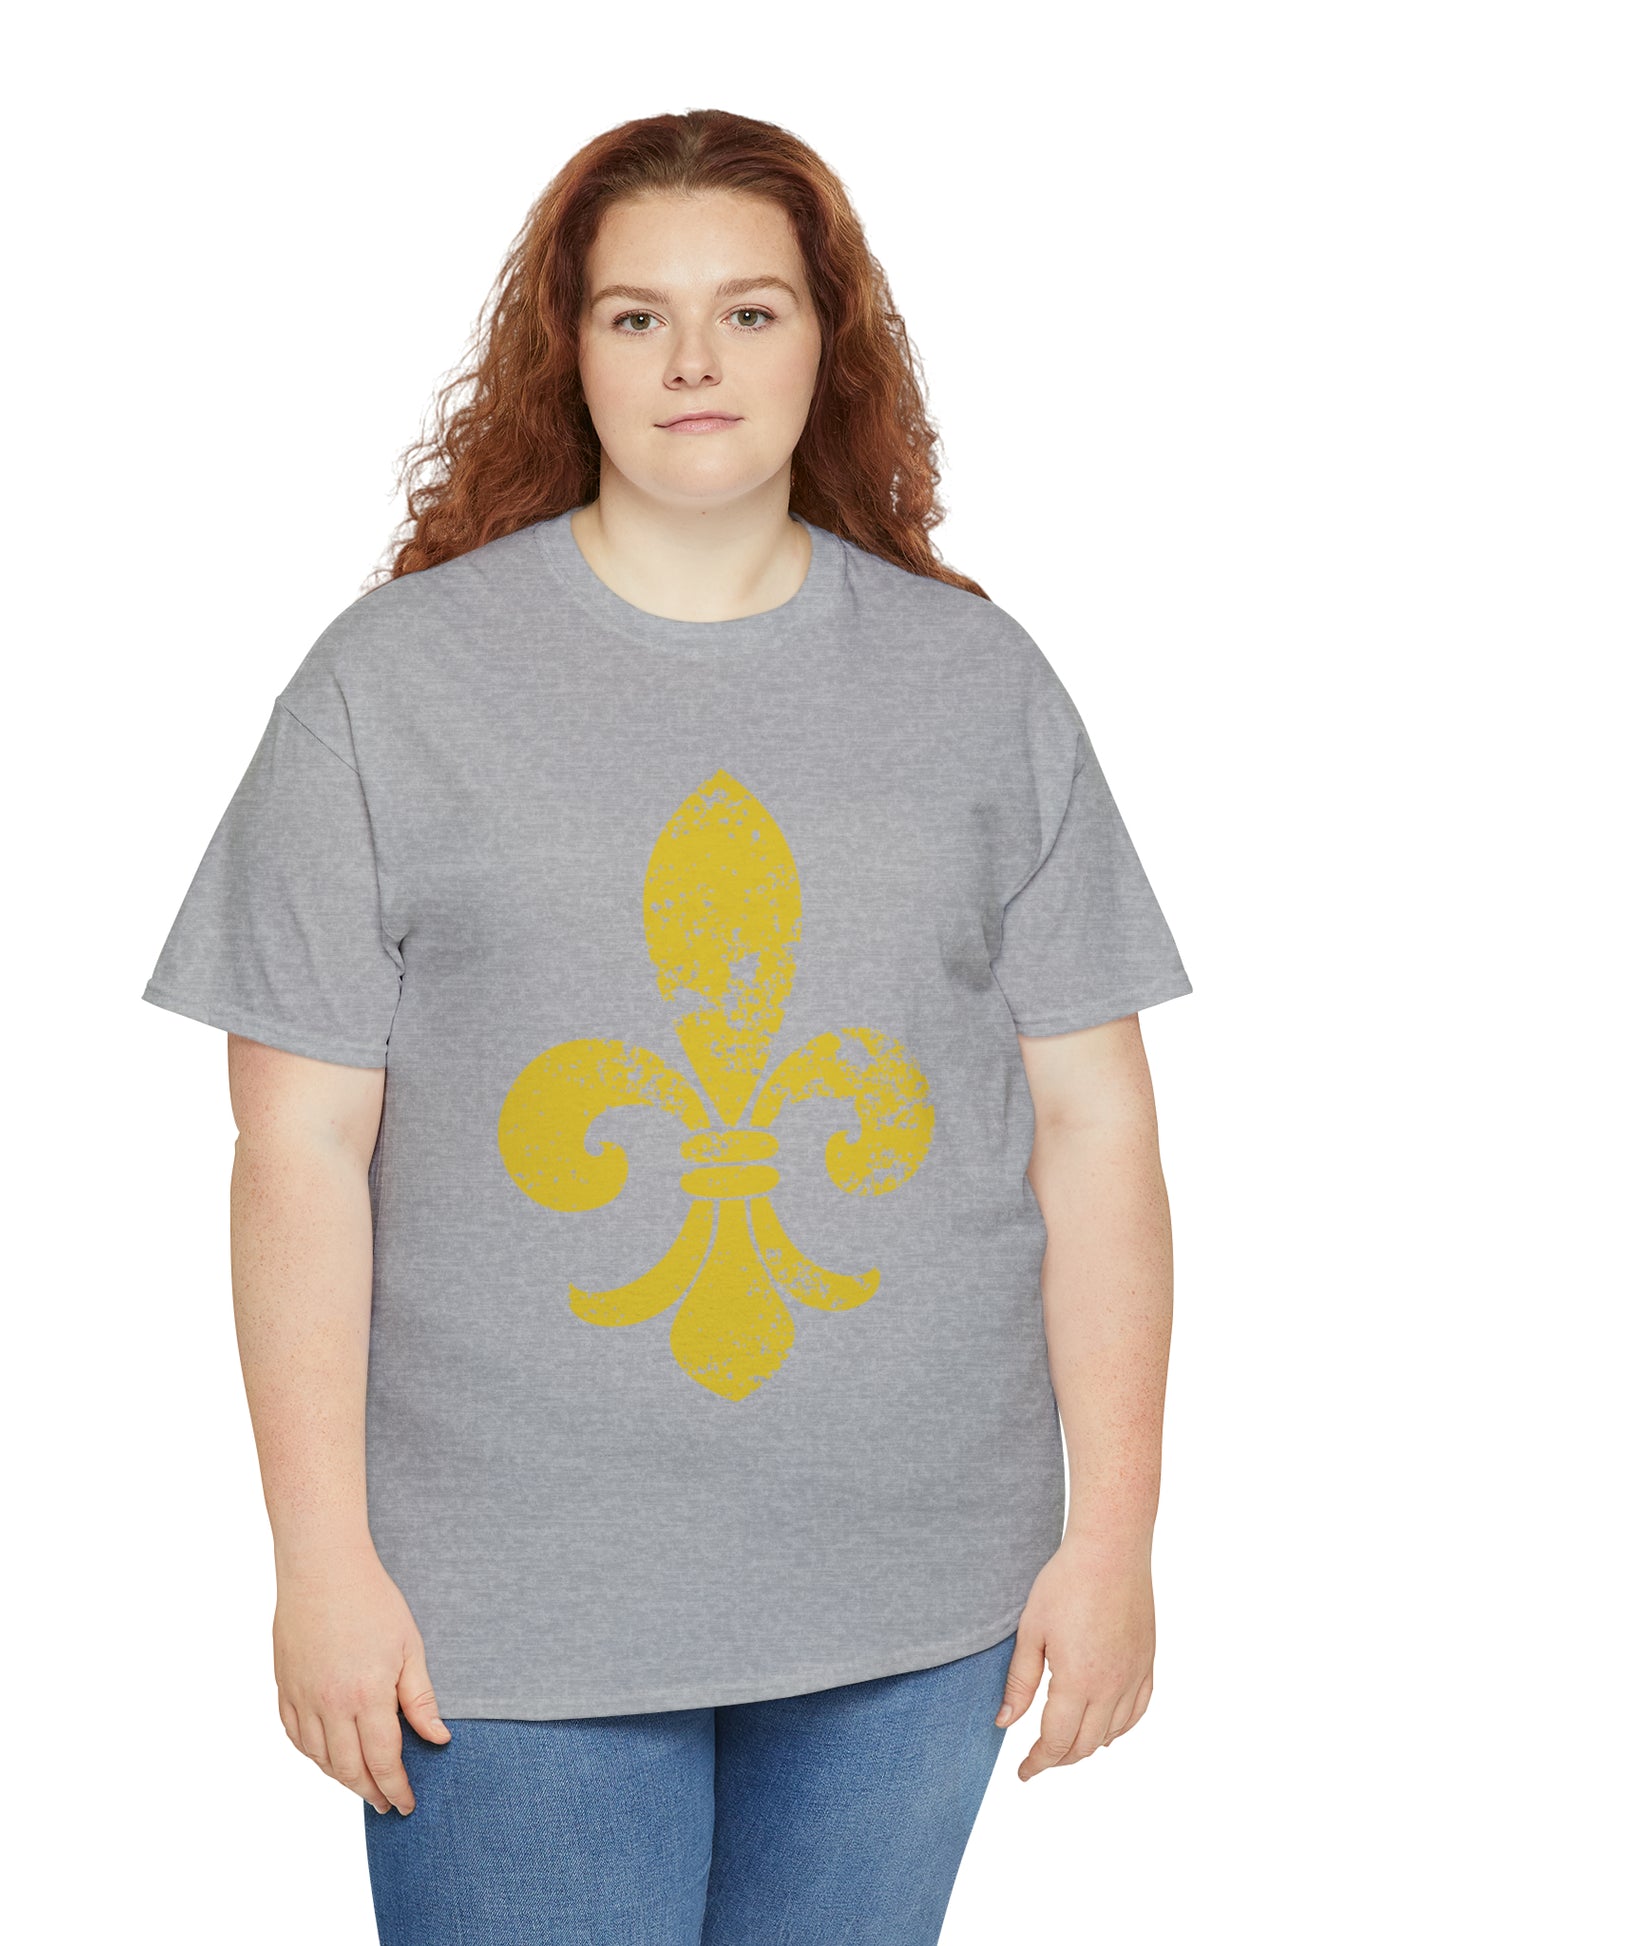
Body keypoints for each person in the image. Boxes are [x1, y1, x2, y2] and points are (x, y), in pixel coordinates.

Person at [142, 107, 1191, 1946]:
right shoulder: (392, 684)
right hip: (504, 1596)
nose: (694, 360)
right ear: (570, 350)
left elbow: (1094, 1123)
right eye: (638, 316)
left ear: (827, 343)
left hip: (916, 1579)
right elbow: (297, 1143)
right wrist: (319, 1558)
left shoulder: (974, 682)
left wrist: (1112, 1537)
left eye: (749, 311)